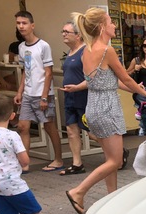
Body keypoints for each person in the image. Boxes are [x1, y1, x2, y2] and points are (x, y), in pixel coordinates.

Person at [64, 7, 146, 214]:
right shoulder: (106, 50)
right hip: (107, 108)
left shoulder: (86, 51)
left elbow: (109, 82)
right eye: (111, 22)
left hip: (94, 107)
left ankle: (110, 200)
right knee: (115, 160)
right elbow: (125, 78)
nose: (114, 25)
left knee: (109, 160)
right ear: (101, 27)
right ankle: (79, 191)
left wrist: (140, 90)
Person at [13, 10, 64, 172]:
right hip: (28, 94)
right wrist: (20, 92)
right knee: (22, 127)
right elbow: (25, 71)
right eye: (18, 23)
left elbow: (48, 73)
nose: (21, 26)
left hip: (43, 94)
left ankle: (58, 159)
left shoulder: (43, 46)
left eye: (24, 23)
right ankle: (25, 164)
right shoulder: (21, 47)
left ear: (32, 25)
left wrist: (44, 97)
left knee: (49, 127)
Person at [58, 21, 92, 176]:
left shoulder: (85, 52)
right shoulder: (69, 53)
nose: (64, 34)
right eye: (63, 31)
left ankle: (117, 151)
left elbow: (92, 77)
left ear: (78, 35)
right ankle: (77, 163)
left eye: (67, 31)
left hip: (82, 97)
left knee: (91, 131)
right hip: (69, 96)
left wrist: (77, 87)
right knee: (71, 130)